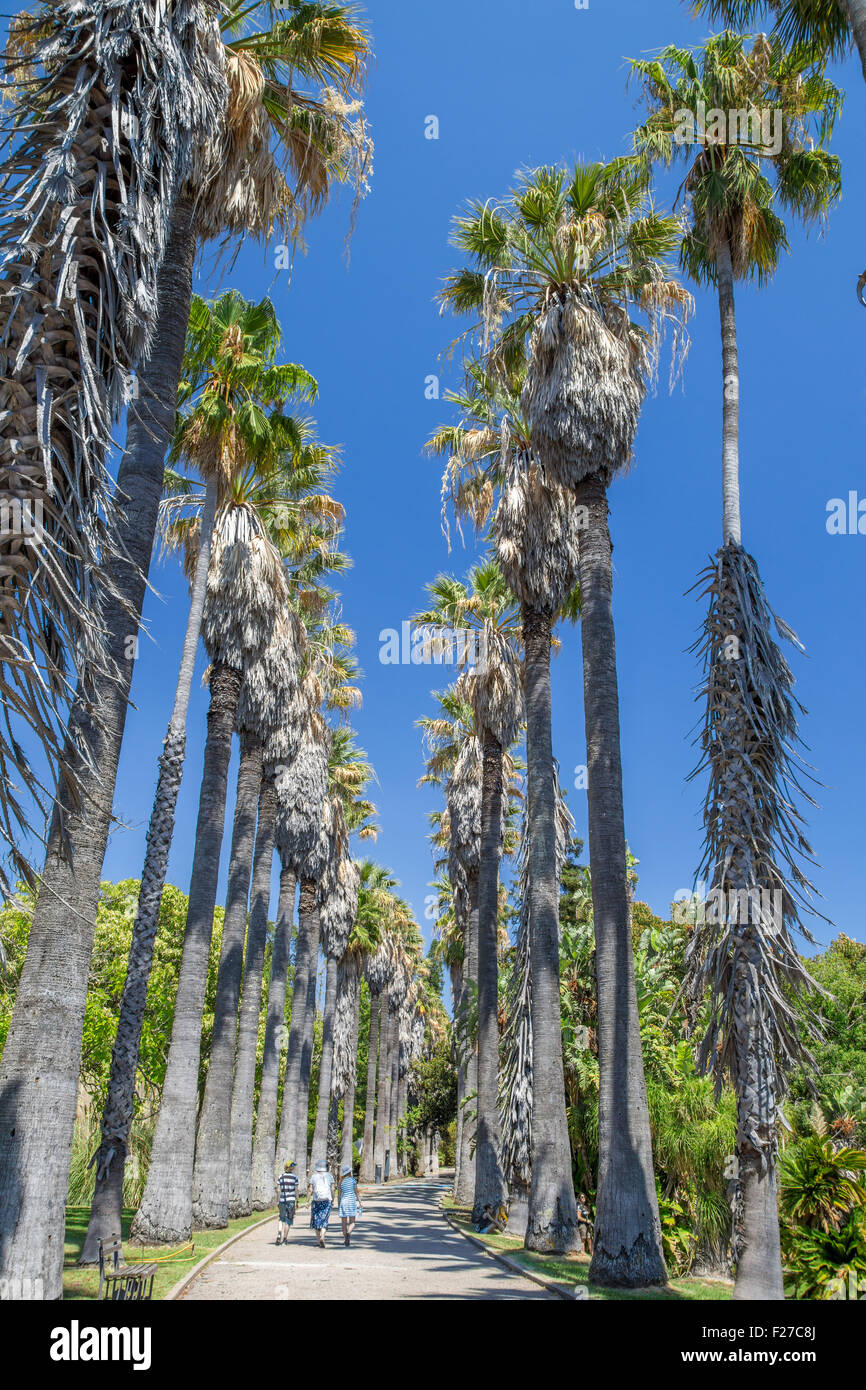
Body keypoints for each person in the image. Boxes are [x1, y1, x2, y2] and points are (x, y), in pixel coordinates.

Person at [309, 1159, 335, 1248]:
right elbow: (332, 1189)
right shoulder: (330, 1176)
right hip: (327, 1200)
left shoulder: (313, 1176)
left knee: (316, 1219)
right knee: (324, 1219)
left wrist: (307, 1200)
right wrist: (333, 1199)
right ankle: (322, 1237)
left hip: (316, 1201)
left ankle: (318, 1239)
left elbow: (310, 1189)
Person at [276, 1160, 298, 1245]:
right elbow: (296, 1190)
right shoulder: (294, 1177)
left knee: (281, 1218)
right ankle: (285, 1238)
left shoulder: (281, 1177)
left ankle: (279, 1233)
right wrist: (297, 1200)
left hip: (282, 1200)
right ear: (291, 1168)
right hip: (291, 1200)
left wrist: (278, 1201)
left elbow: (278, 1190)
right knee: (289, 1220)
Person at [338, 1164, 359, 1247]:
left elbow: (339, 1195)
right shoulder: (353, 1180)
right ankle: (348, 1234)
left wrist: (339, 1203)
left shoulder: (341, 1182)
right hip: (351, 1202)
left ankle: (345, 1238)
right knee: (352, 1222)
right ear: (349, 1172)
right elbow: (356, 1192)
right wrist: (360, 1201)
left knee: (343, 1223)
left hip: (343, 1202)